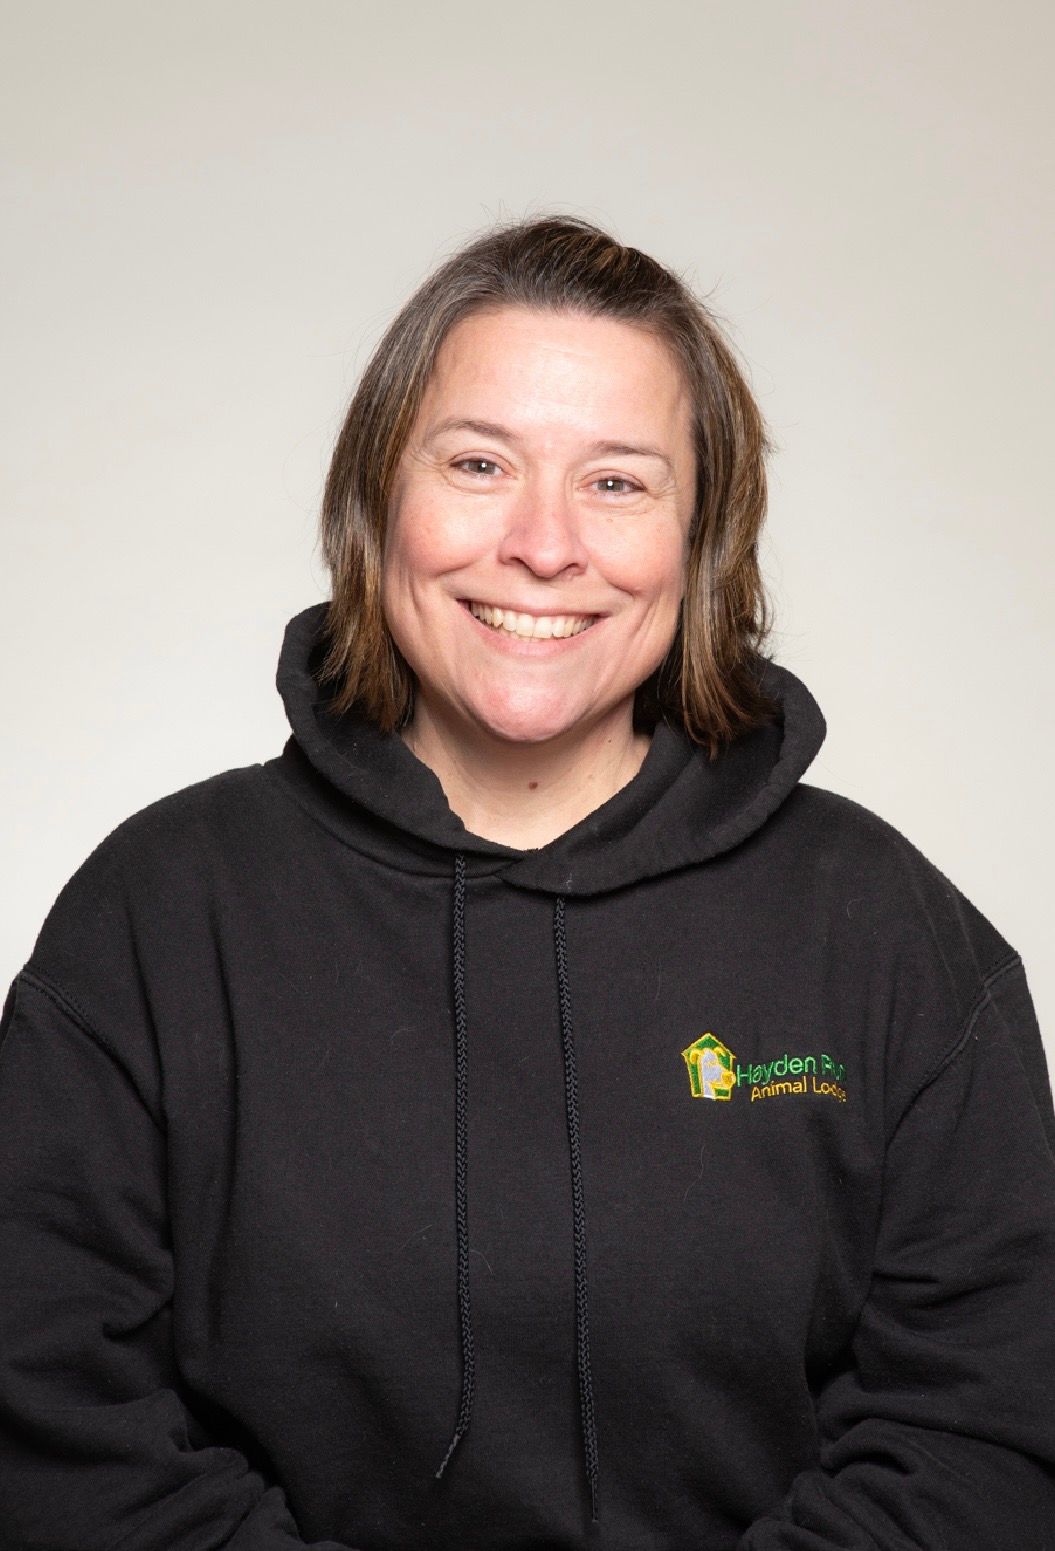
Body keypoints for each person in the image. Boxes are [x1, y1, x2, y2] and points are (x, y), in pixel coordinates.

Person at [1, 213, 1053, 1551]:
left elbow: (983, 1432)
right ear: (377, 500)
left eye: (619, 483)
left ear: (701, 538)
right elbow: (52, 1422)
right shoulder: (155, 918)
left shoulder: (893, 936)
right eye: (480, 463)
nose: (546, 545)